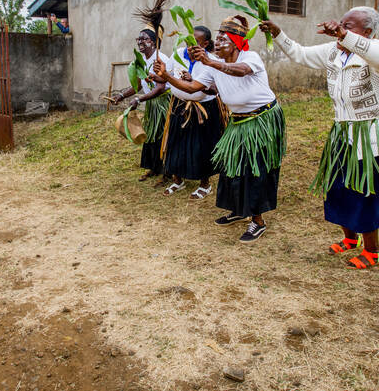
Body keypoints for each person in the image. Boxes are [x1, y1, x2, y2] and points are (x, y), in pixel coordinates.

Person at [260, 8, 379, 268]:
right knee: (338, 187)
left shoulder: (377, 51)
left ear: (367, 32)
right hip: (343, 133)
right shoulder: (333, 52)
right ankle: (350, 238)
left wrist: (345, 36)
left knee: (366, 191)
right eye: (341, 24)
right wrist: (278, 33)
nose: (340, 29)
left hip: (372, 136)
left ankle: (372, 250)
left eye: (349, 26)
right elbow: (301, 53)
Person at [153, 15, 285, 243]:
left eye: (224, 39)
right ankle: (237, 210)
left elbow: (240, 71)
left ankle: (257, 221)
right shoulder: (211, 65)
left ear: (236, 42)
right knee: (230, 167)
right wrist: (166, 76)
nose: (219, 42)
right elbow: (193, 87)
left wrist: (210, 61)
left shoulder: (249, 57)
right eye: (218, 38)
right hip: (238, 122)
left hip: (262, 119)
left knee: (255, 170)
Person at [159, 25, 224, 198]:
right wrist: (158, 75)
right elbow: (168, 75)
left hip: (203, 109)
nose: (190, 44)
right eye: (189, 40)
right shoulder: (178, 54)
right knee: (176, 142)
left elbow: (214, 88)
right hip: (179, 105)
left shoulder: (212, 61)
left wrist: (193, 80)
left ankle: (204, 184)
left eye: (195, 41)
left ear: (205, 43)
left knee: (201, 146)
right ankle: (178, 180)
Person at [110, 29, 171, 184]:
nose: (139, 42)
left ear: (152, 41)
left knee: (163, 136)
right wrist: (122, 95)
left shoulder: (160, 59)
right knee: (151, 135)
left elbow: (160, 87)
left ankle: (168, 173)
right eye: (138, 39)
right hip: (151, 104)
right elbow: (137, 84)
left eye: (143, 39)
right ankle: (154, 168)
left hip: (163, 103)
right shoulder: (140, 60)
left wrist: (140, 99)